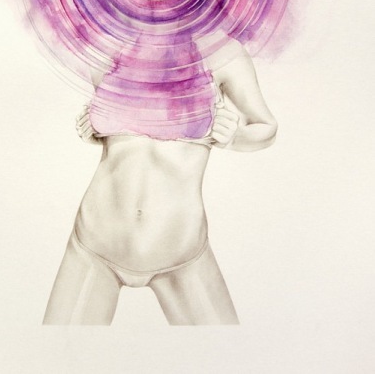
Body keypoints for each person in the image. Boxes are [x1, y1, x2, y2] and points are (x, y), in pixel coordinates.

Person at [42, 37, 277, 325]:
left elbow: (266, 127)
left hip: (181, 252)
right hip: (94, 243)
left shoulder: (223, 52)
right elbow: (128, 143)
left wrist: (235, 137)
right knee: (56, 350)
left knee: (227, 351)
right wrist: (93, 129)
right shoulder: (108, 45)